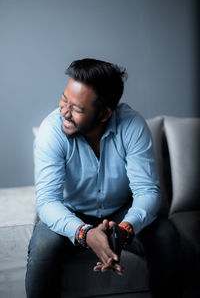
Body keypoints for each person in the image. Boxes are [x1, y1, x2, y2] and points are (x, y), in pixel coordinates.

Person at [25, 58, 182, 298]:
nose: (63, 111)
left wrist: (125, 229)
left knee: (165, 235)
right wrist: (85, 233)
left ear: (104, 113)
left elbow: (147, 192)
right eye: (64, 99)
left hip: (121, 211)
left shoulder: (132, 125)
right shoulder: (51, 130)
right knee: (44, 246)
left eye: (76, 108)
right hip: (70, 211)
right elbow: (47, 201)